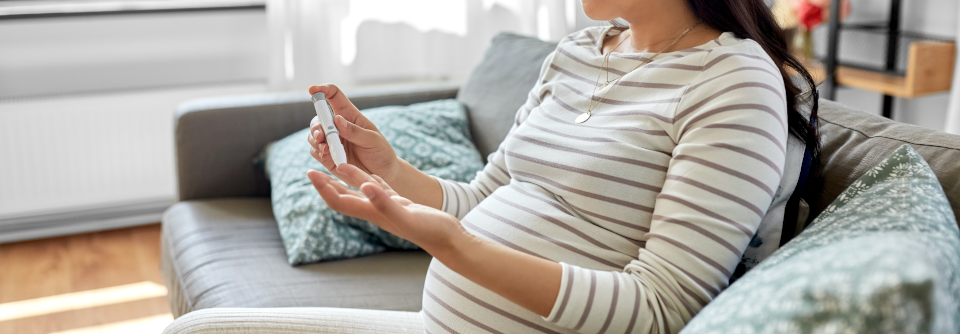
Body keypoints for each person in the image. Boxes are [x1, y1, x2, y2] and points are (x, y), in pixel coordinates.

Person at [304, 0, 819, 332]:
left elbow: (663, 310)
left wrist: (456, 248)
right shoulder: (577, 52)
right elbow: (486, 197)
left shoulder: (733, 83)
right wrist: (391, 170)